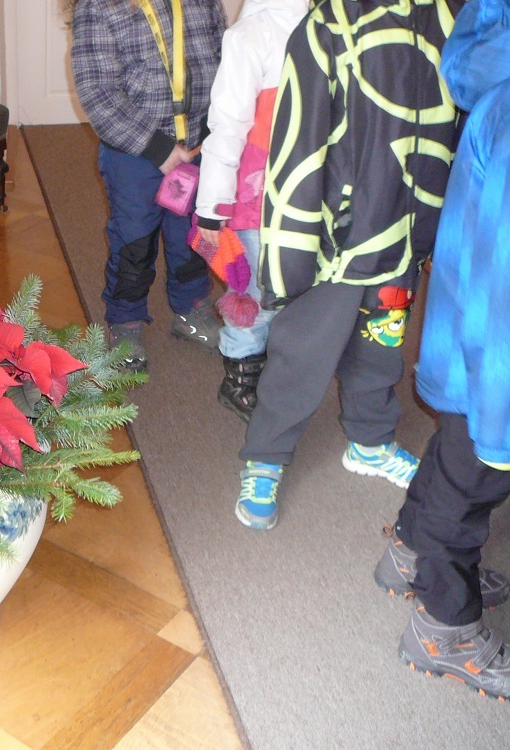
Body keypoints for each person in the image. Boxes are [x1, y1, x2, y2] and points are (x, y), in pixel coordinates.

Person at [233, 0, 464, 530]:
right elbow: (297, 143)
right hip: (338, 240)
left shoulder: (447, 17)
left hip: (405, 230)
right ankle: (266, 454)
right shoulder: (328, 24)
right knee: (304, 350)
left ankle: (370, 439)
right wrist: (295, 245)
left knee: (382, 343)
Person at [372, 0, 510, 698]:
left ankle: (408, 551)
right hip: (499, 361)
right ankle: (442, 627)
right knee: (474, 478)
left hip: (476, 341)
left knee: (457, 458)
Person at [70, 0, 226, 372]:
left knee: (193, 235)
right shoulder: (98, 7)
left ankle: (191, 306)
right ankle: (125, 320)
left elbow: (224, 60)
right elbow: (98, 92)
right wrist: (156, 147)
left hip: (197, 147)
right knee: (134, 240)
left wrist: (217, 126)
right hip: (135, 153)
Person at [194, 0, 310, 421]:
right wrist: (212, 206)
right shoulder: (250, 35)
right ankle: (240, 377)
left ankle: (280, 367)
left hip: (311, 192)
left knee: (300, 289)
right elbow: (227, 125)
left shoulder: (332, 23)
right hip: (257, 200)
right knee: (257, 293)